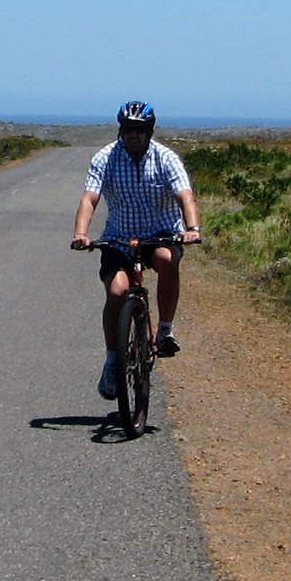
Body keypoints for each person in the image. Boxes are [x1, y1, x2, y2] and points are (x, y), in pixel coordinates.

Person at [70, 101, 202, 400]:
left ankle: (165, 331)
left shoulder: (165, 158)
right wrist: (81, 234)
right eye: (128, 130)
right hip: (119, 236)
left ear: (149, 131)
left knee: (166, 259)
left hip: (161, 232)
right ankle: (112, 360)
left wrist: (192, 230)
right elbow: (90, 197)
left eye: (140, 131)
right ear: (121, 130)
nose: (133, 136)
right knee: (117, 293)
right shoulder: (106, 157)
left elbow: (185, 196)